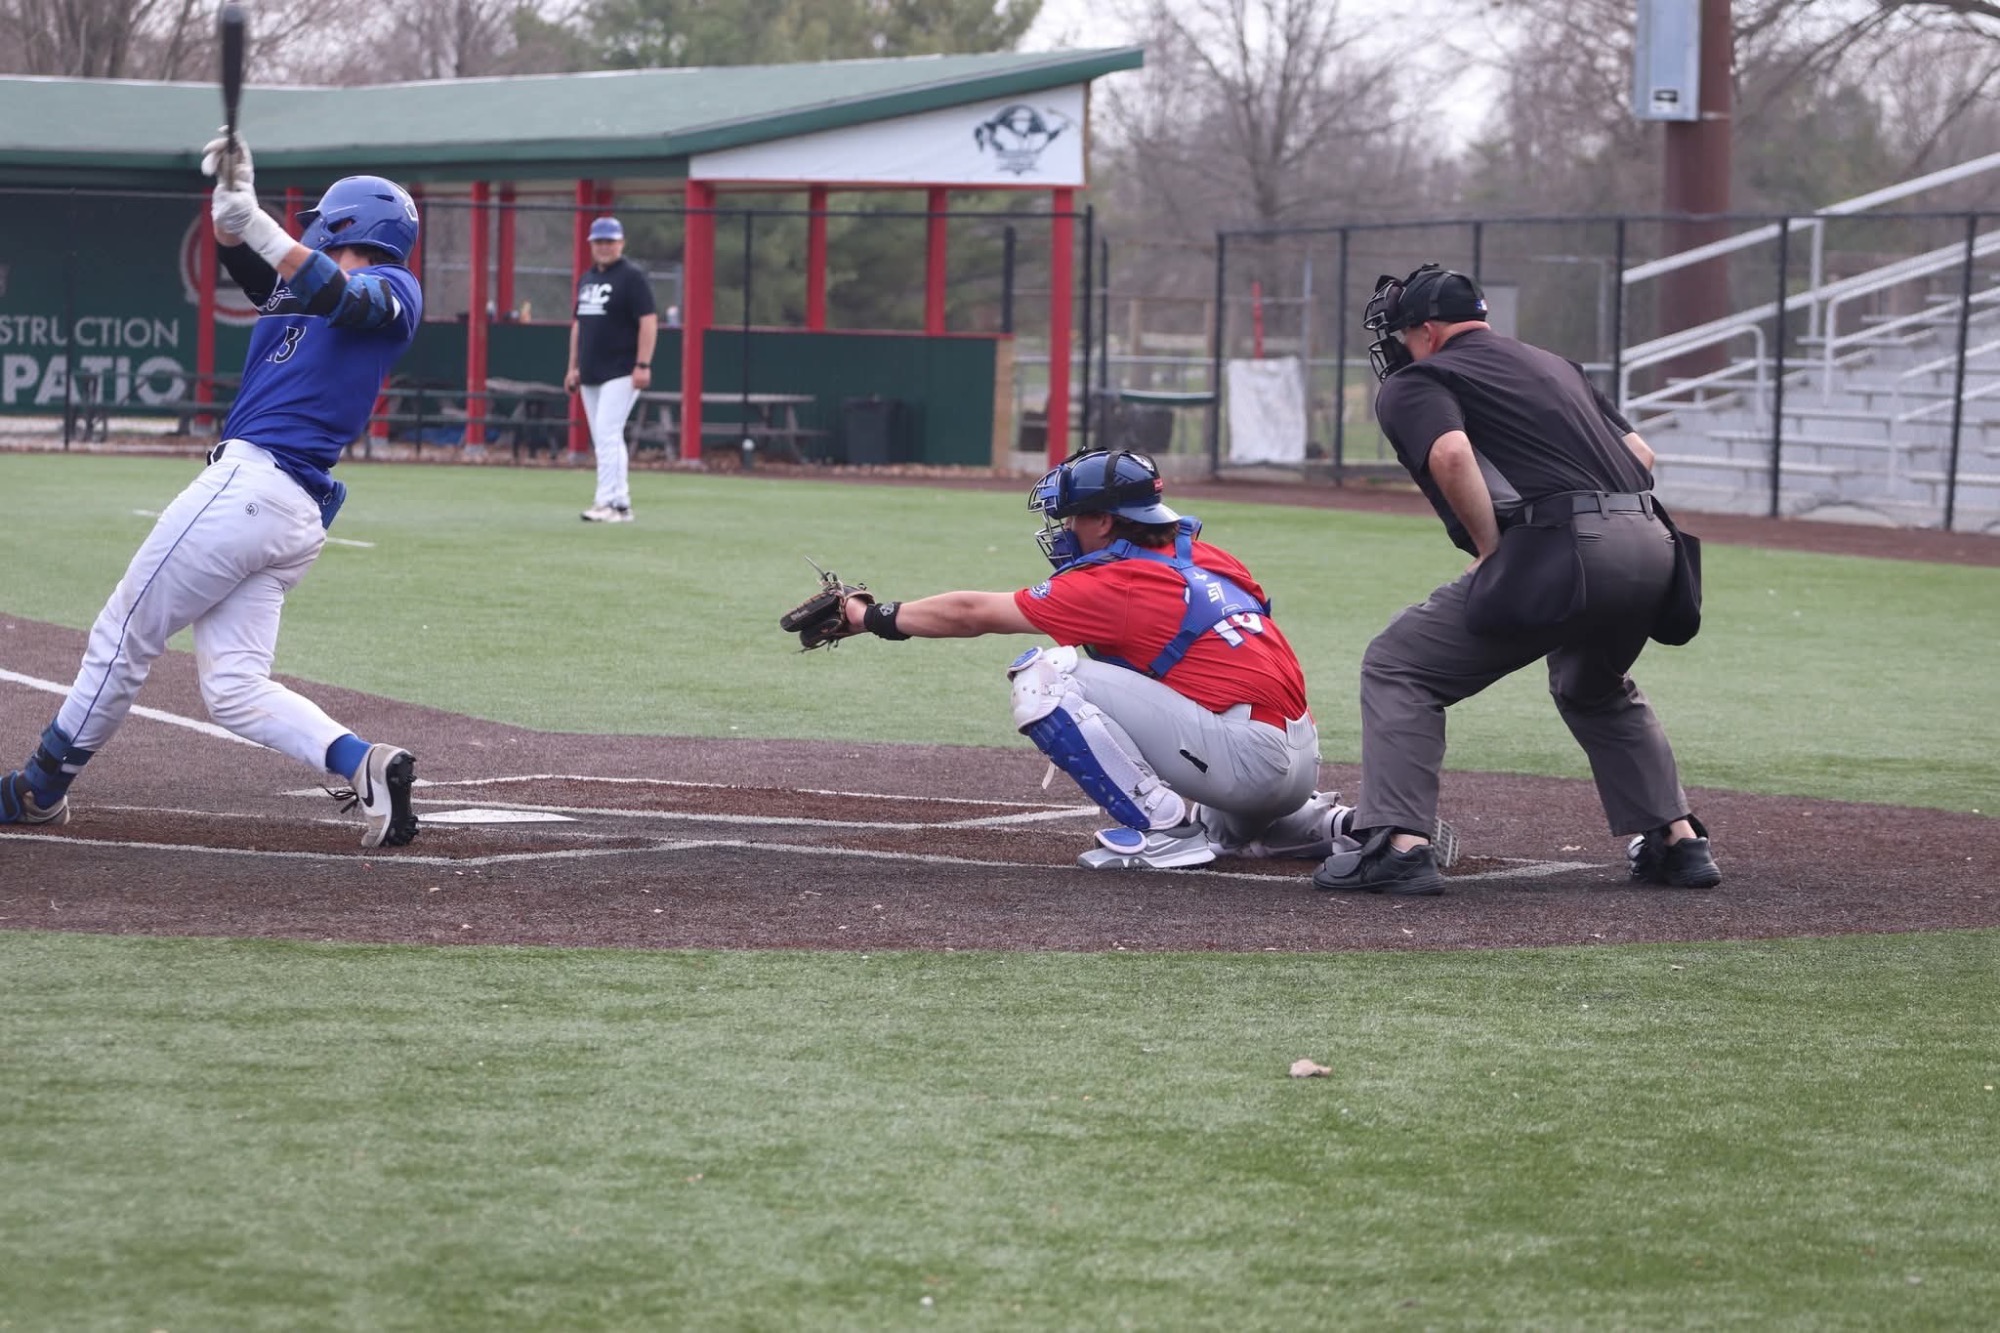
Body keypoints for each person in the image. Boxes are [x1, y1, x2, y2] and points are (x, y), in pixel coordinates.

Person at [0, 136, 424, 849]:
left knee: (123, 633)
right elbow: (250, 260)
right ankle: (368, 765)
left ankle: (38, 789)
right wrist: (233, 201)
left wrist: (258, 221)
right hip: (282, 511)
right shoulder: (300, 284)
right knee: (233, 686)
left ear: (351, 225)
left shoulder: (395, 291)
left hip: (254, 485)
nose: (315, 224)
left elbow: (340, 293)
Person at [829, 449, 1453, 872]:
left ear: (1105, 520)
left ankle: (1163, 831)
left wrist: (870, 616)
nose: (1064, 528)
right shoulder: (1210, 556)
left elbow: (971, 612)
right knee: (1229, 829)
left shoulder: (1114, 582)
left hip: (1245, 755)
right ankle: (1336, 823)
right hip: (1295, 750)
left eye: (1072, 516)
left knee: (1044, 674)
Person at [1312, 262, 1717, 897]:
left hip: (1572, 544)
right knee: (1592, 684)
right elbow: (1642, 455)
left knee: (1399, 666)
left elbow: (1450, 454)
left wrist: (1493, 547)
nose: (1397, 344)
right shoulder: (1555, 364)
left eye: (1402, 332)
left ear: (1427, 329)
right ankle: (1679, 841)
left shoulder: (1423, 377)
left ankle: (1398, 844)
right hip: (1655, 543)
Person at [565, 217, 657, 523]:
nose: (604, 247)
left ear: (621, 243)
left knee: (606, 433)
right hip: (590, 371)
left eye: (609, 241)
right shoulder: (587, 278)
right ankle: (621, 503)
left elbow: (648, 321)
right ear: (591, 244)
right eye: (599, 242)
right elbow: (579, 325)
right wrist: (573, 367)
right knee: (608, 436)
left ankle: (604, 502)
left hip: (622, 369)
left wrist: (643, 364)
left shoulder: (632, 277)